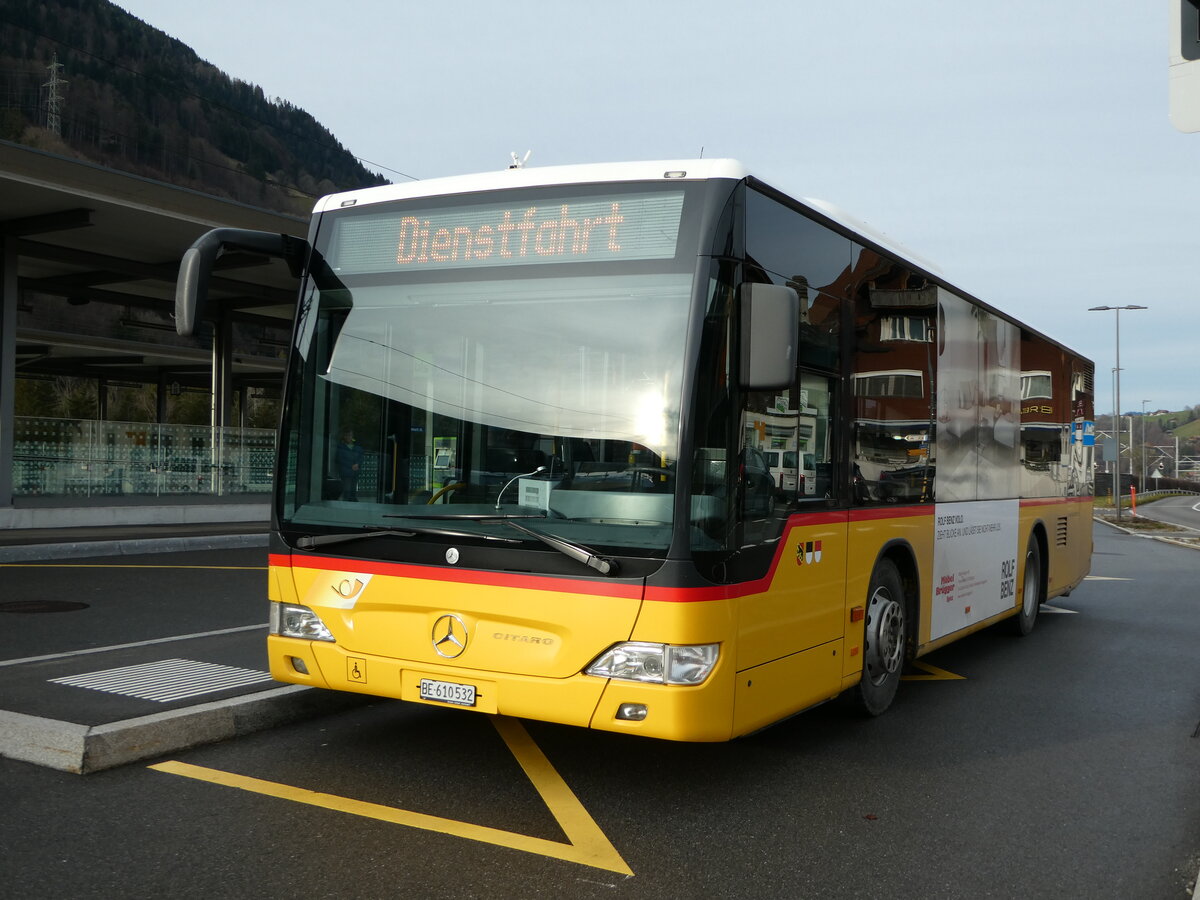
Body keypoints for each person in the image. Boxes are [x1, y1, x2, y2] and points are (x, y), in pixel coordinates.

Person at [335, 429, 364, 501]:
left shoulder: (357, 447)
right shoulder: (341, 447)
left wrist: (358, 464)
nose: (348, 437)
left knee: (353, 490)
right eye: (347, 435)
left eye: (350, 435)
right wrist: (351, 466)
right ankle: (346, 504)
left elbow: (361, 457)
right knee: (347, 490)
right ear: (344, 436)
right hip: (346, 472)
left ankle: (353, 503)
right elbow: (339, 459)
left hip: (355, 472)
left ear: (352, 436)